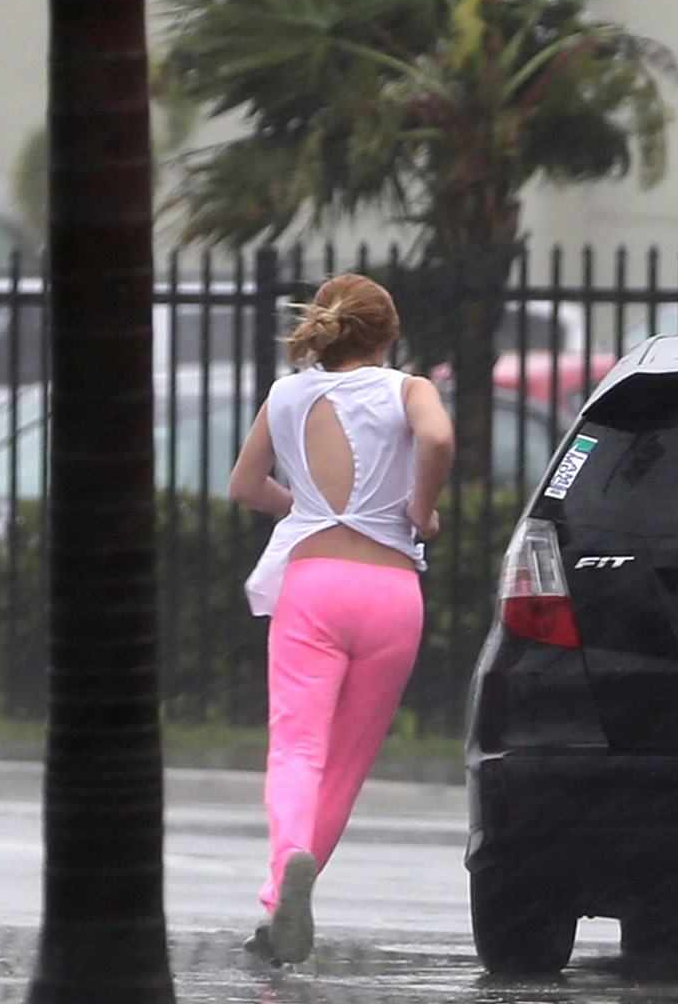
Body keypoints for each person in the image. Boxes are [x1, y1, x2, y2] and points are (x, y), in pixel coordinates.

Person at [228, 273, 455, 965]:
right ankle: (281, 903)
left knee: (297, 746)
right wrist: (420, 508)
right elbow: (438, 441)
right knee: (348, 763)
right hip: (390, 594)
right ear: (388, 334)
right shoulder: (408, 389)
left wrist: (304, 507)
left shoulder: (288, 396)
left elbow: (244, 486)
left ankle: (286, 865)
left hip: (314, 584)